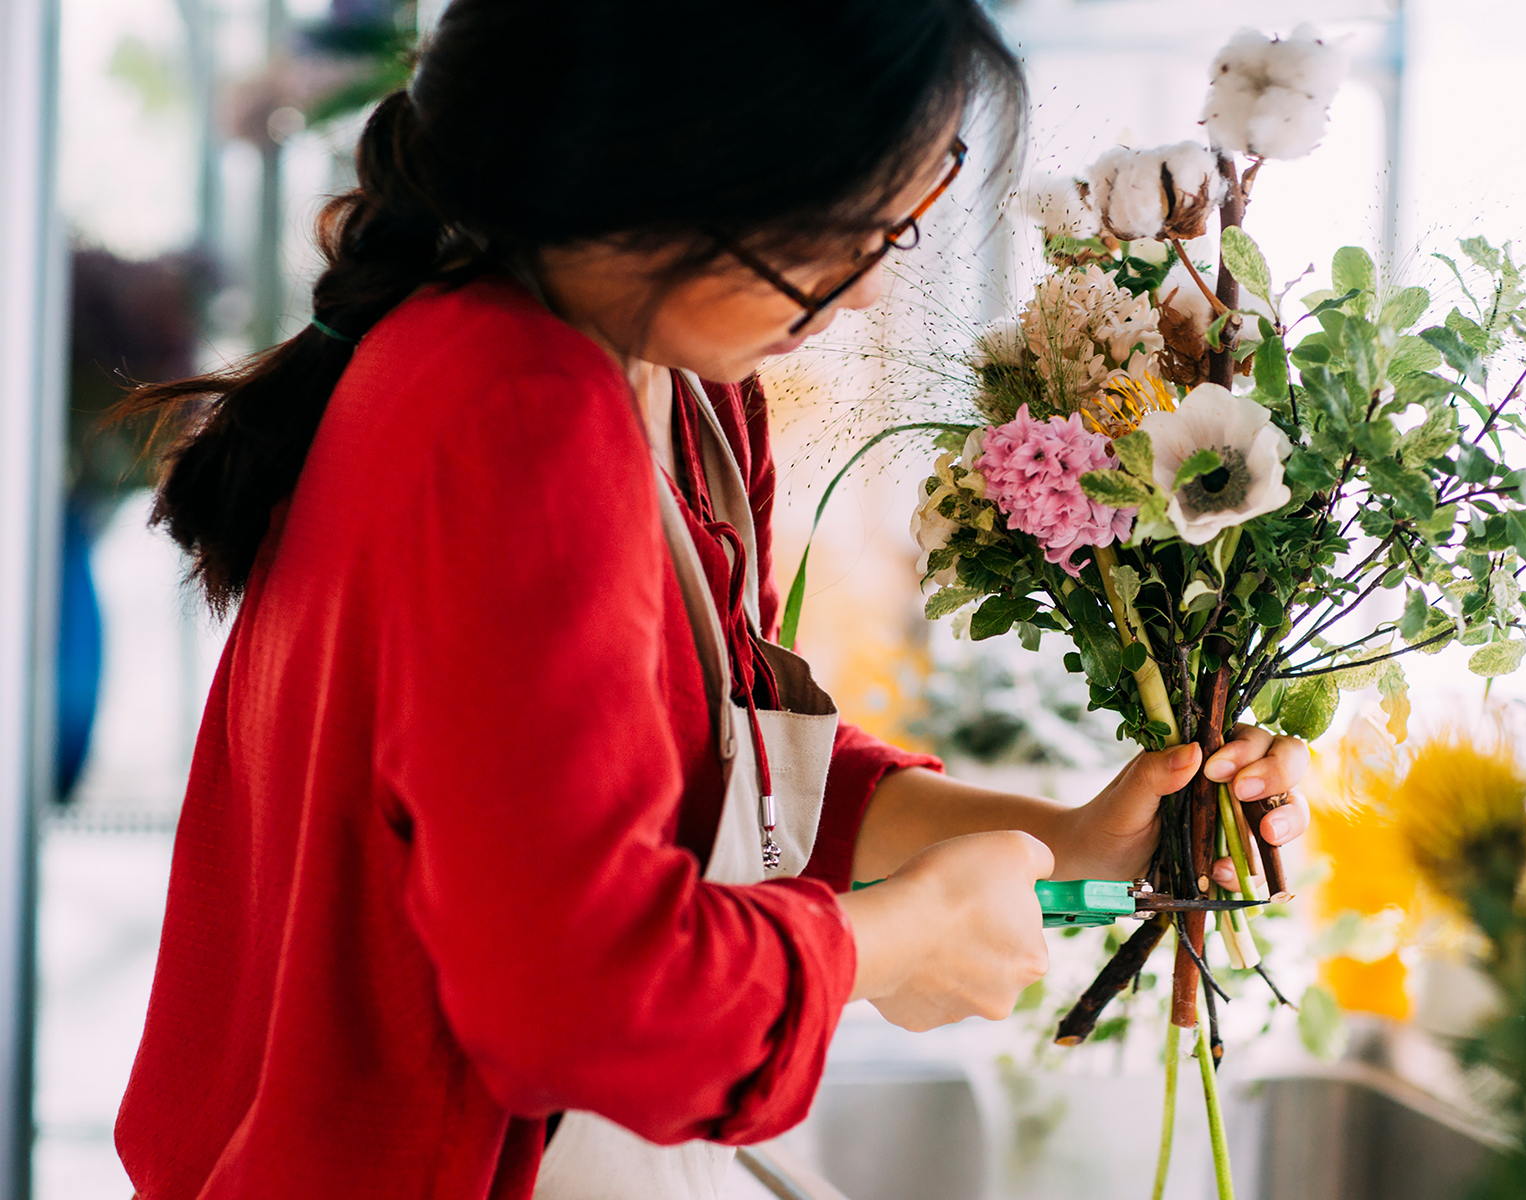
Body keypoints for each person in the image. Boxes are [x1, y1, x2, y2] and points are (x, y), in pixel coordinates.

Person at [112, 1, 1313, 1197]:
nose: (866, 295)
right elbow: (577, 999)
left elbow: (714, 757)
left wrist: (1065, 838)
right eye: (859, 231)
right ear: (700, 160)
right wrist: (891, 938)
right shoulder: (518, 414)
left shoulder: (666, 393)